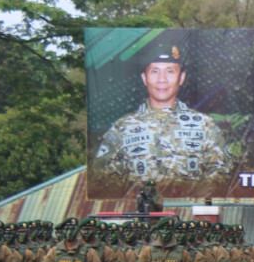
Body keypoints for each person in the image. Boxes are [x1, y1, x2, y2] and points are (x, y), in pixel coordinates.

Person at [92, 41, 235, 193]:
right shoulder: (123, 127)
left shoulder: (204, 125)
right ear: (144, 78)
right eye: (154, 71)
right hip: (139, 212)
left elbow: (222, 174)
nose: (162, 79)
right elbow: (102, 177)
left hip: (188, 211)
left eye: (170, 71)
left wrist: (190, 196)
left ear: (181, 78)